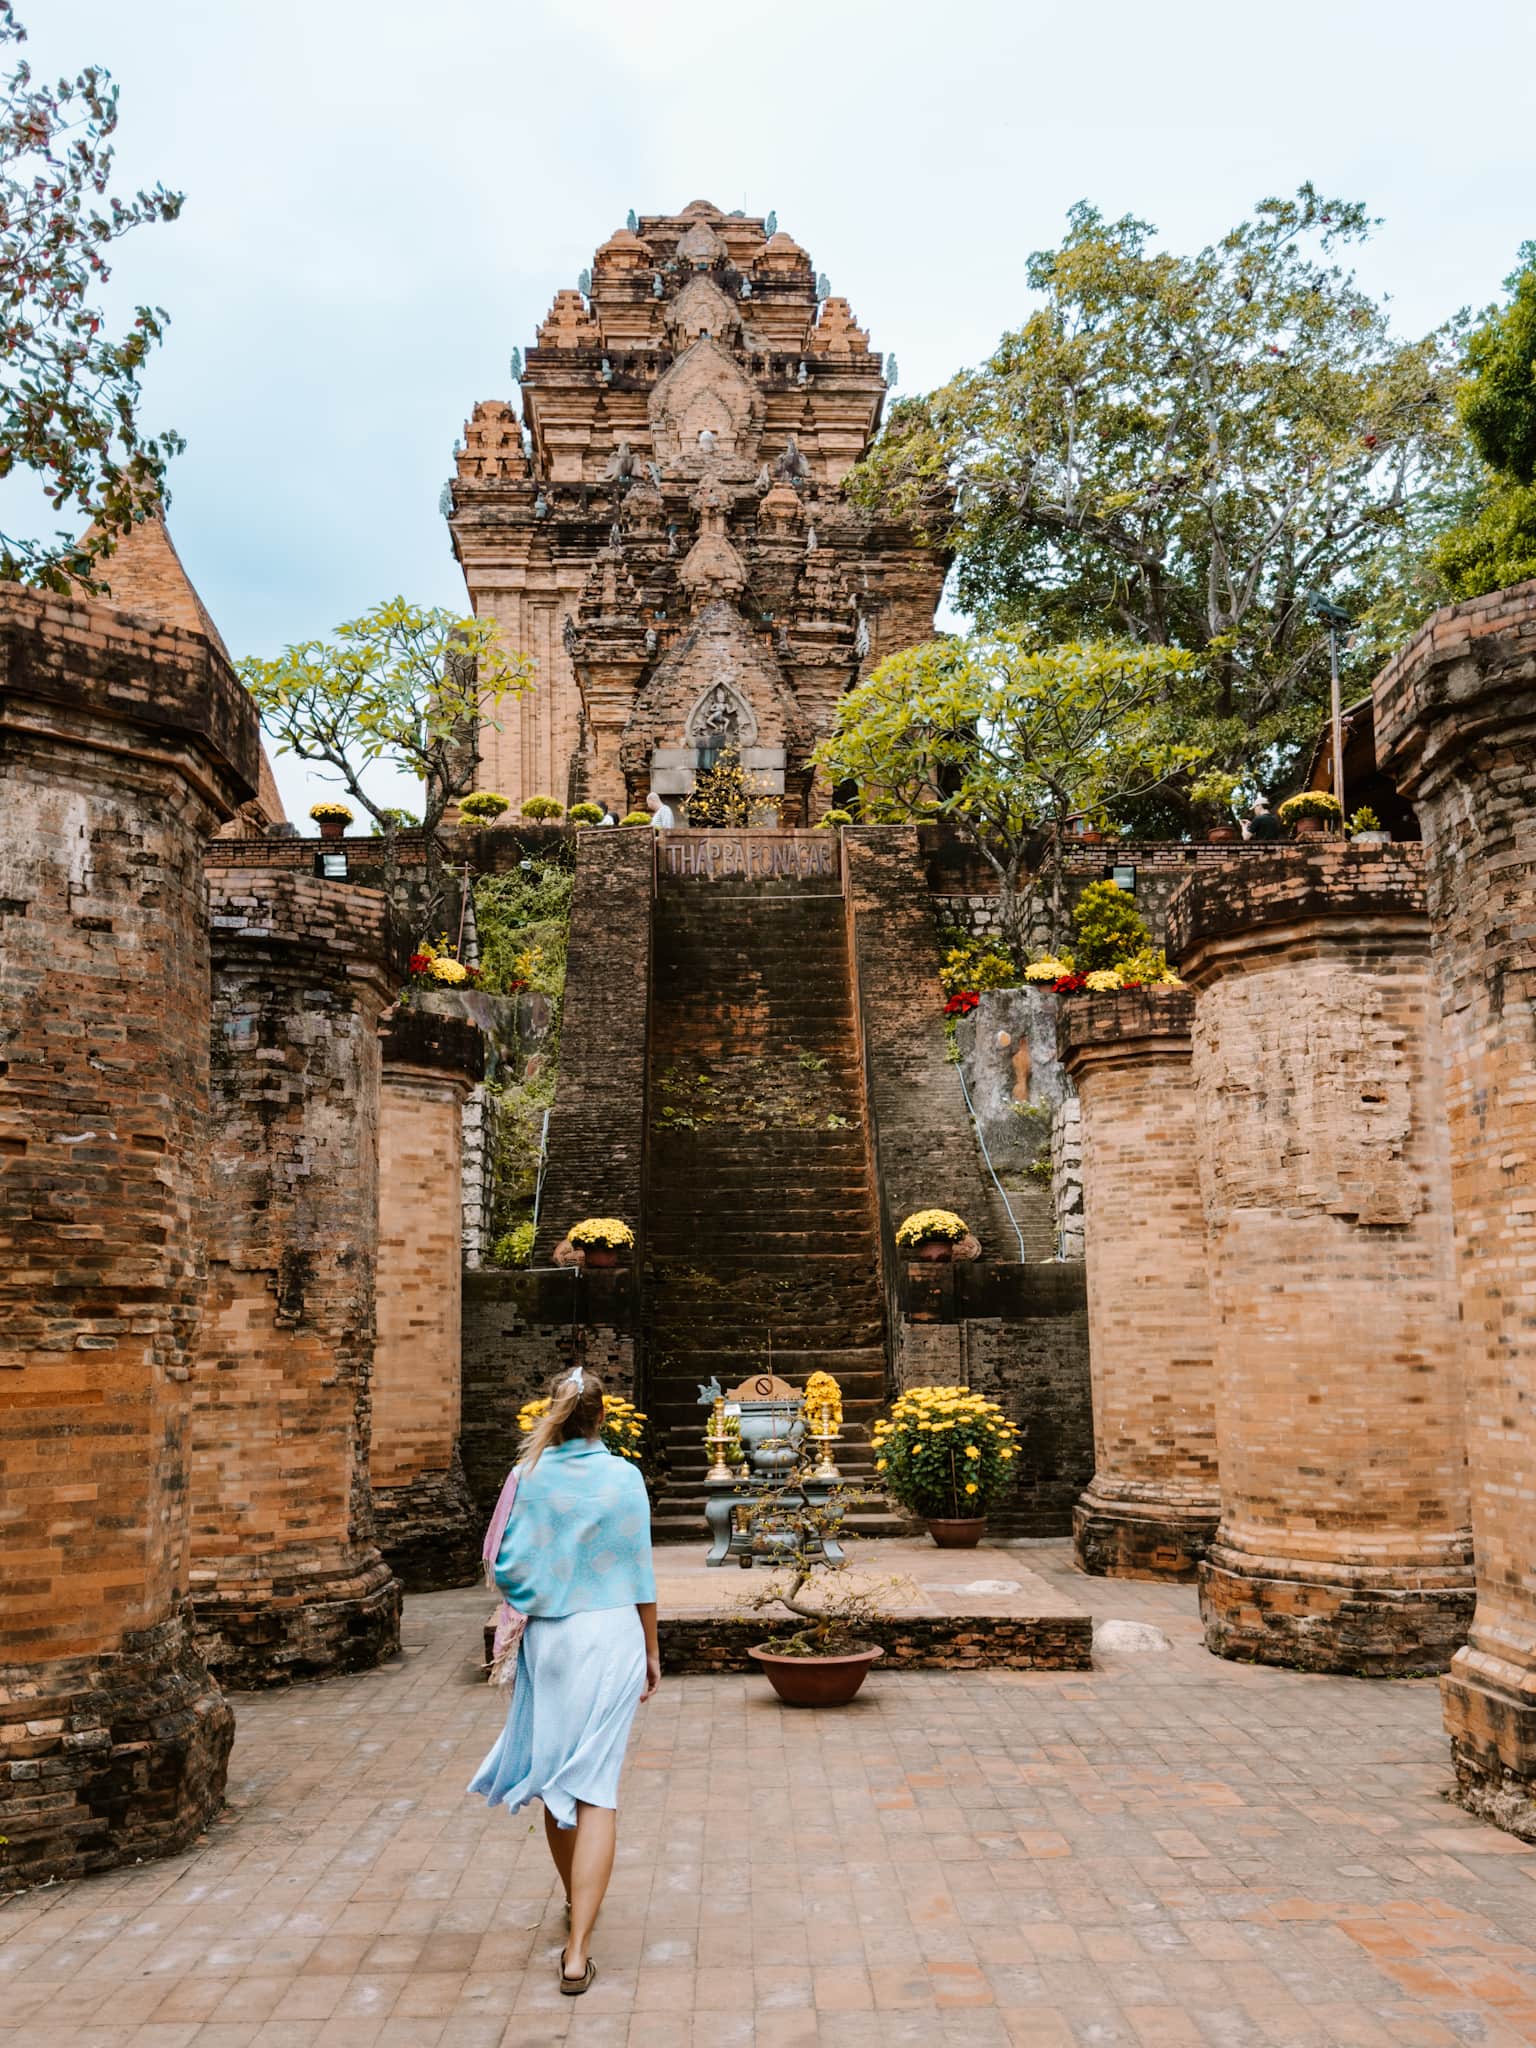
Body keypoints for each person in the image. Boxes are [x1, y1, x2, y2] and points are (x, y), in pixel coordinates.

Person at [468, 1367, 659, 1997]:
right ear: (602, 1418)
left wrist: (543, 1593)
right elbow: (639, 1574)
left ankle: (577, 1906)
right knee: (596, 1786)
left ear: (553, 1412)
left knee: (557, 1781)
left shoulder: (526, 1476)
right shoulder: (624, 1477)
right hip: (613, 1635)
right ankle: (577, 1951)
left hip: (552, 1638)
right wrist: (653, 1652)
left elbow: (498, 1561)